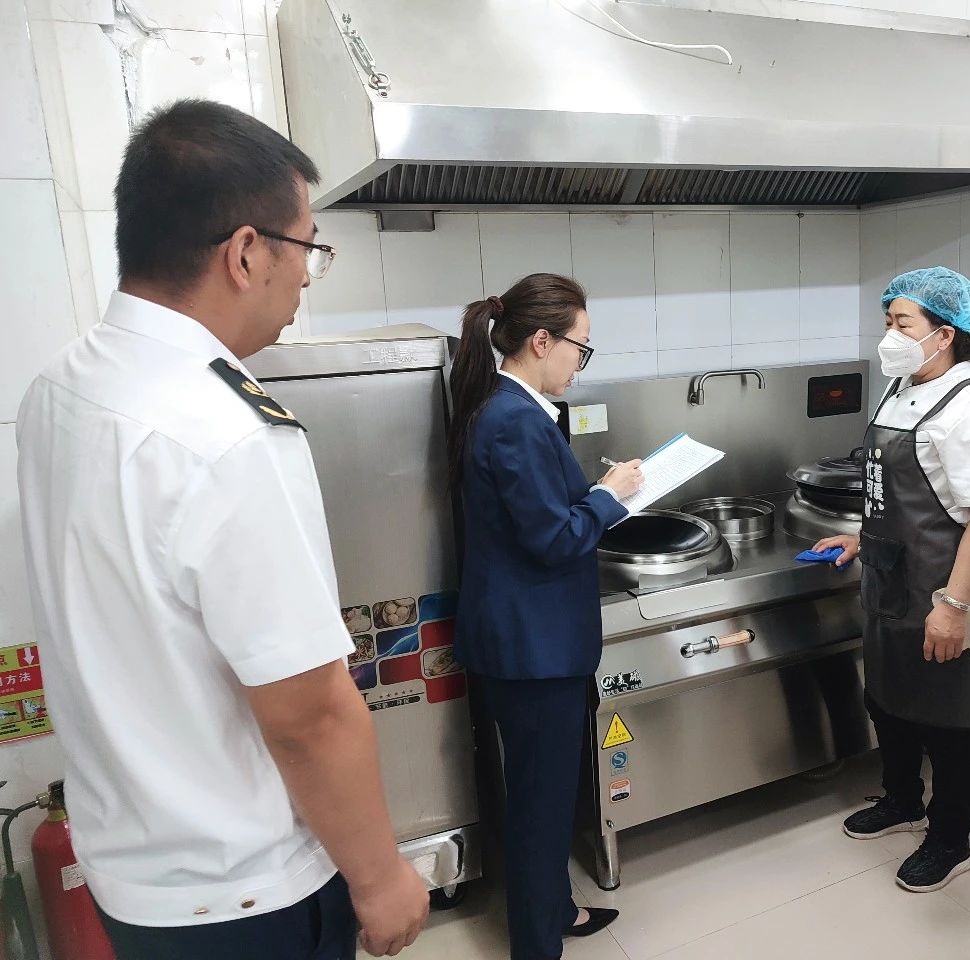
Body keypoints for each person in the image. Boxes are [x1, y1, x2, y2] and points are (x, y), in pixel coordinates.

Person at [16, 100, 428, 959]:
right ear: (245, 253)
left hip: (132, 879)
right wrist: (380, 876)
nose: (307, 277)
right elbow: (308, 713)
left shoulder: (58, 389)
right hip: (247, 895)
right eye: (308, 248)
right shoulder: (229, 434)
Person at [448, 274, 643, 960]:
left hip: (526, 639)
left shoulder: (509, 409)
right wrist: (610, 495)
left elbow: (536, 517)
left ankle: (555, 909)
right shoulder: (514, 419)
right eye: (580, 348)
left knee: (542, 793)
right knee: (541, 802)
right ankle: (536, 946)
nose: (579, 362)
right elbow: (554, 538)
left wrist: (595, 495)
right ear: (541, 340)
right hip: (533, 651)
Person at [814, 266, 970, 893]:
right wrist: (861, 539)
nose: (890, 335)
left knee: (947, 720)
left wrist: (953, 606)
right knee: (890, 701)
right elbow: (898, 494)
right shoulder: (902, 388)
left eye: (902, 323)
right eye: (888, 321)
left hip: (944, 588)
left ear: (946, 333)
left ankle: (950, 839)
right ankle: (902, 800)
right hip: (890, 580)